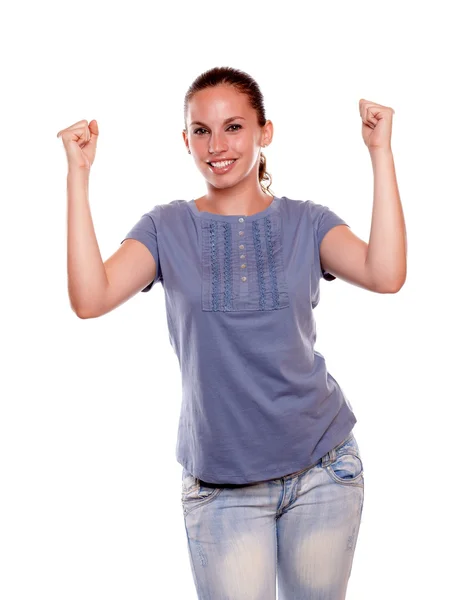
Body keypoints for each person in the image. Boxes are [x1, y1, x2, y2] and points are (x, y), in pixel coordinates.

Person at [58, 66, 406, 599]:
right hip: (222, 489)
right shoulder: (166, 228)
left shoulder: (306, 222)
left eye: (234, 127)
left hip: (323, 470)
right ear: (186, 141)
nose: (217, 146)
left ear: (265, 132)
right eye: (202, 130)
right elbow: (91, 297)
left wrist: (380, 153)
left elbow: (386, 274)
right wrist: (77, 176)